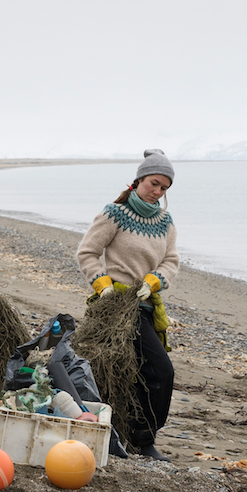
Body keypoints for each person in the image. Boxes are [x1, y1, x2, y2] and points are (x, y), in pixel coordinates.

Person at [76, 149, 178, 461]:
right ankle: (140, 439)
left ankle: (139, 436)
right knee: (160, 370)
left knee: (150, 372)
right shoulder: (115, 213)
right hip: (115, 306)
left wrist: (154, 281)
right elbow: (87, 252)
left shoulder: (165, 222)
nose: (157, 192)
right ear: (138, 180)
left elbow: (172, 261)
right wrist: (102, 283)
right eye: (153, 183)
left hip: (144, 306)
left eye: (164, 187)